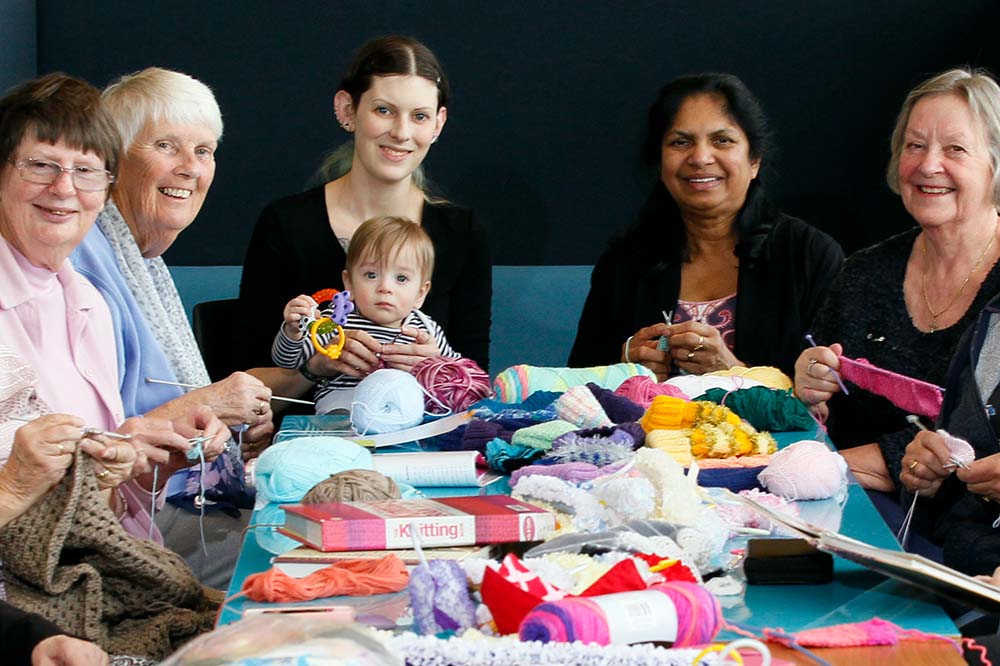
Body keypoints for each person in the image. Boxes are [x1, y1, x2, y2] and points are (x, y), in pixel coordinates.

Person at [68, 67, 272, 586]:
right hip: (121, 529)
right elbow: (91, 452)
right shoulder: (81, 259)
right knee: (288, 543)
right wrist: (210, 407)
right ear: (113, 160)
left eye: (203, 151)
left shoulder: (143, 260)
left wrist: (230, 431)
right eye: (167, 146)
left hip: (170, 501)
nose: (190, 168)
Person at [0, 73, 227, 540]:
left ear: (105, 186)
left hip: (103, 566)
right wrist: (14, 487)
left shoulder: (85, 301)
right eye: (40, 165)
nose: (64, 188)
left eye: (84, 171)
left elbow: (107, 503)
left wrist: (146, 460)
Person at [239, 35, 491, 395]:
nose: (402, 133)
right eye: (384, 110)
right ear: (347, 110)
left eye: (419, 116)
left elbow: (476, 384)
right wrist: (315, 367)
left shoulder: (462, 233)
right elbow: (240, 383)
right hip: (309, 439)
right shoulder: (287, 224)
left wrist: (437, 366)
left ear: (437, 124)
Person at [795, 68, 1000, 493]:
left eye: (955, 149)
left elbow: (976, 442)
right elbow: (823, 414)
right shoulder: (864, 273)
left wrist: (818, 470)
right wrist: (810, 386)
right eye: (915, 145)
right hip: (852, 508)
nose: (928, 165)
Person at [568, 73, 843, 380]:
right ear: (659, 163)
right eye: (680, 142)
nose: (700, 157)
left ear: (755, 160)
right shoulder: (624, 263)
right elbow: (575, 391)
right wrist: (623, 369)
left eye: (722, 140)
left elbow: (837, 398)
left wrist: (734, 373)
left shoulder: (809, 256)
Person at [272, 216, 459, 413]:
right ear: (349, 283)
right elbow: (288, 362)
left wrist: (436, 367)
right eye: (371, 275)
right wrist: (293, 331)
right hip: (345, 402)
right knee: (341, 418)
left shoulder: (427, 330)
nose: (385, 287)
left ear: (420, 294)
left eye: (401, 278)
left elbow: (459, 374)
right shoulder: (335, 321)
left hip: (406, 406)